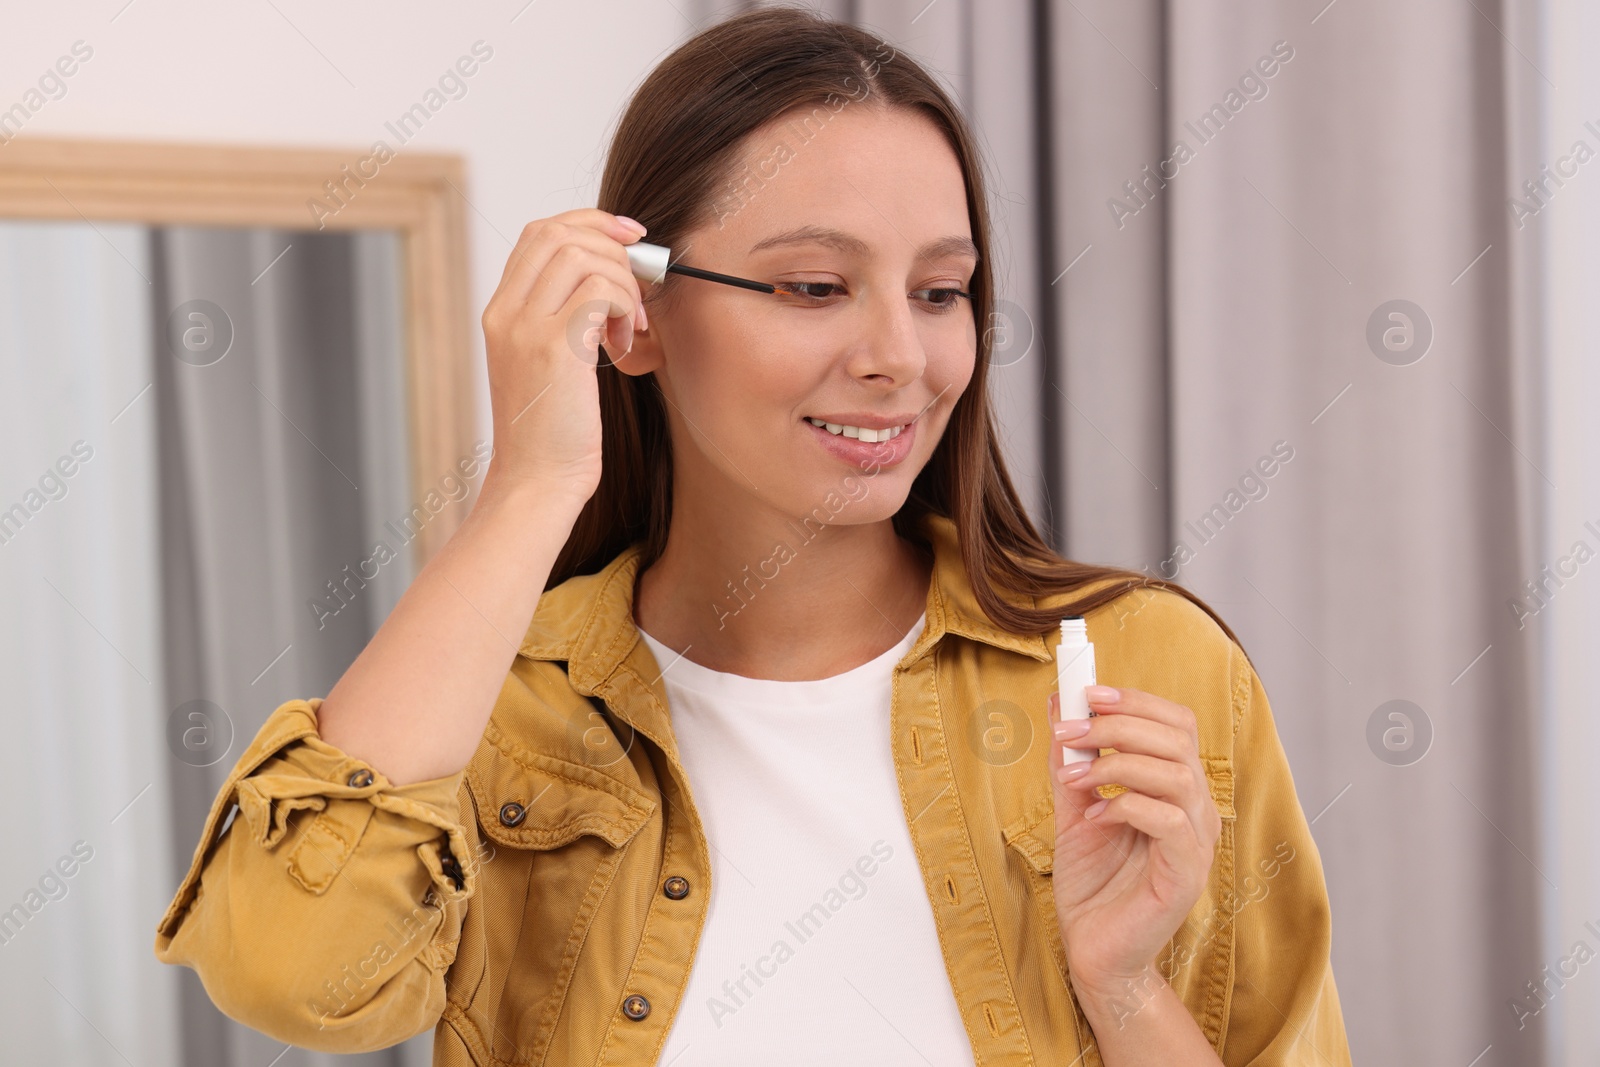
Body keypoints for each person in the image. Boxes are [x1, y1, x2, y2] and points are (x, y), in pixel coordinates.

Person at [153, 7, 1352, 1065]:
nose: (898, 355)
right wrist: (530, 483)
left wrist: (1124, 985)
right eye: (816, 286)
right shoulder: (495, 710)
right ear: (636, 316)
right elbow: (292, 975)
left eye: (940, 291)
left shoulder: (1149, 668)